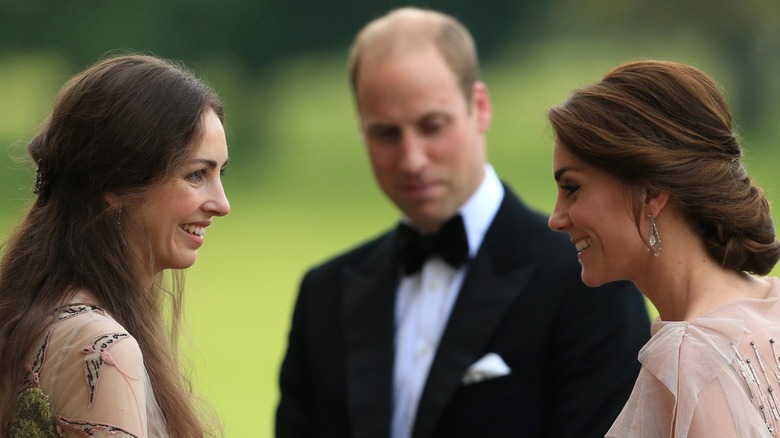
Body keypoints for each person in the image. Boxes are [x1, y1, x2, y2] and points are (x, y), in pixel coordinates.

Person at [276, 7, 650, 438]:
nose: (412, 159)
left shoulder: (590, 280)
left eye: (432, 126)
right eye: (385, 134)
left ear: (480, 107)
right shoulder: (324, 293)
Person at [0, 54, 230, 437]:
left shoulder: (31, 314)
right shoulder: (101, 347)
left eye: (220, 174)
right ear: (117, 184)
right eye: (196, 175)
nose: (222, 205)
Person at [547, 59, 780, 437]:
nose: (556, 219)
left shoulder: (689, 355)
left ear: (651, 192)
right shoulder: (773, 305)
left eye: (572, 188)